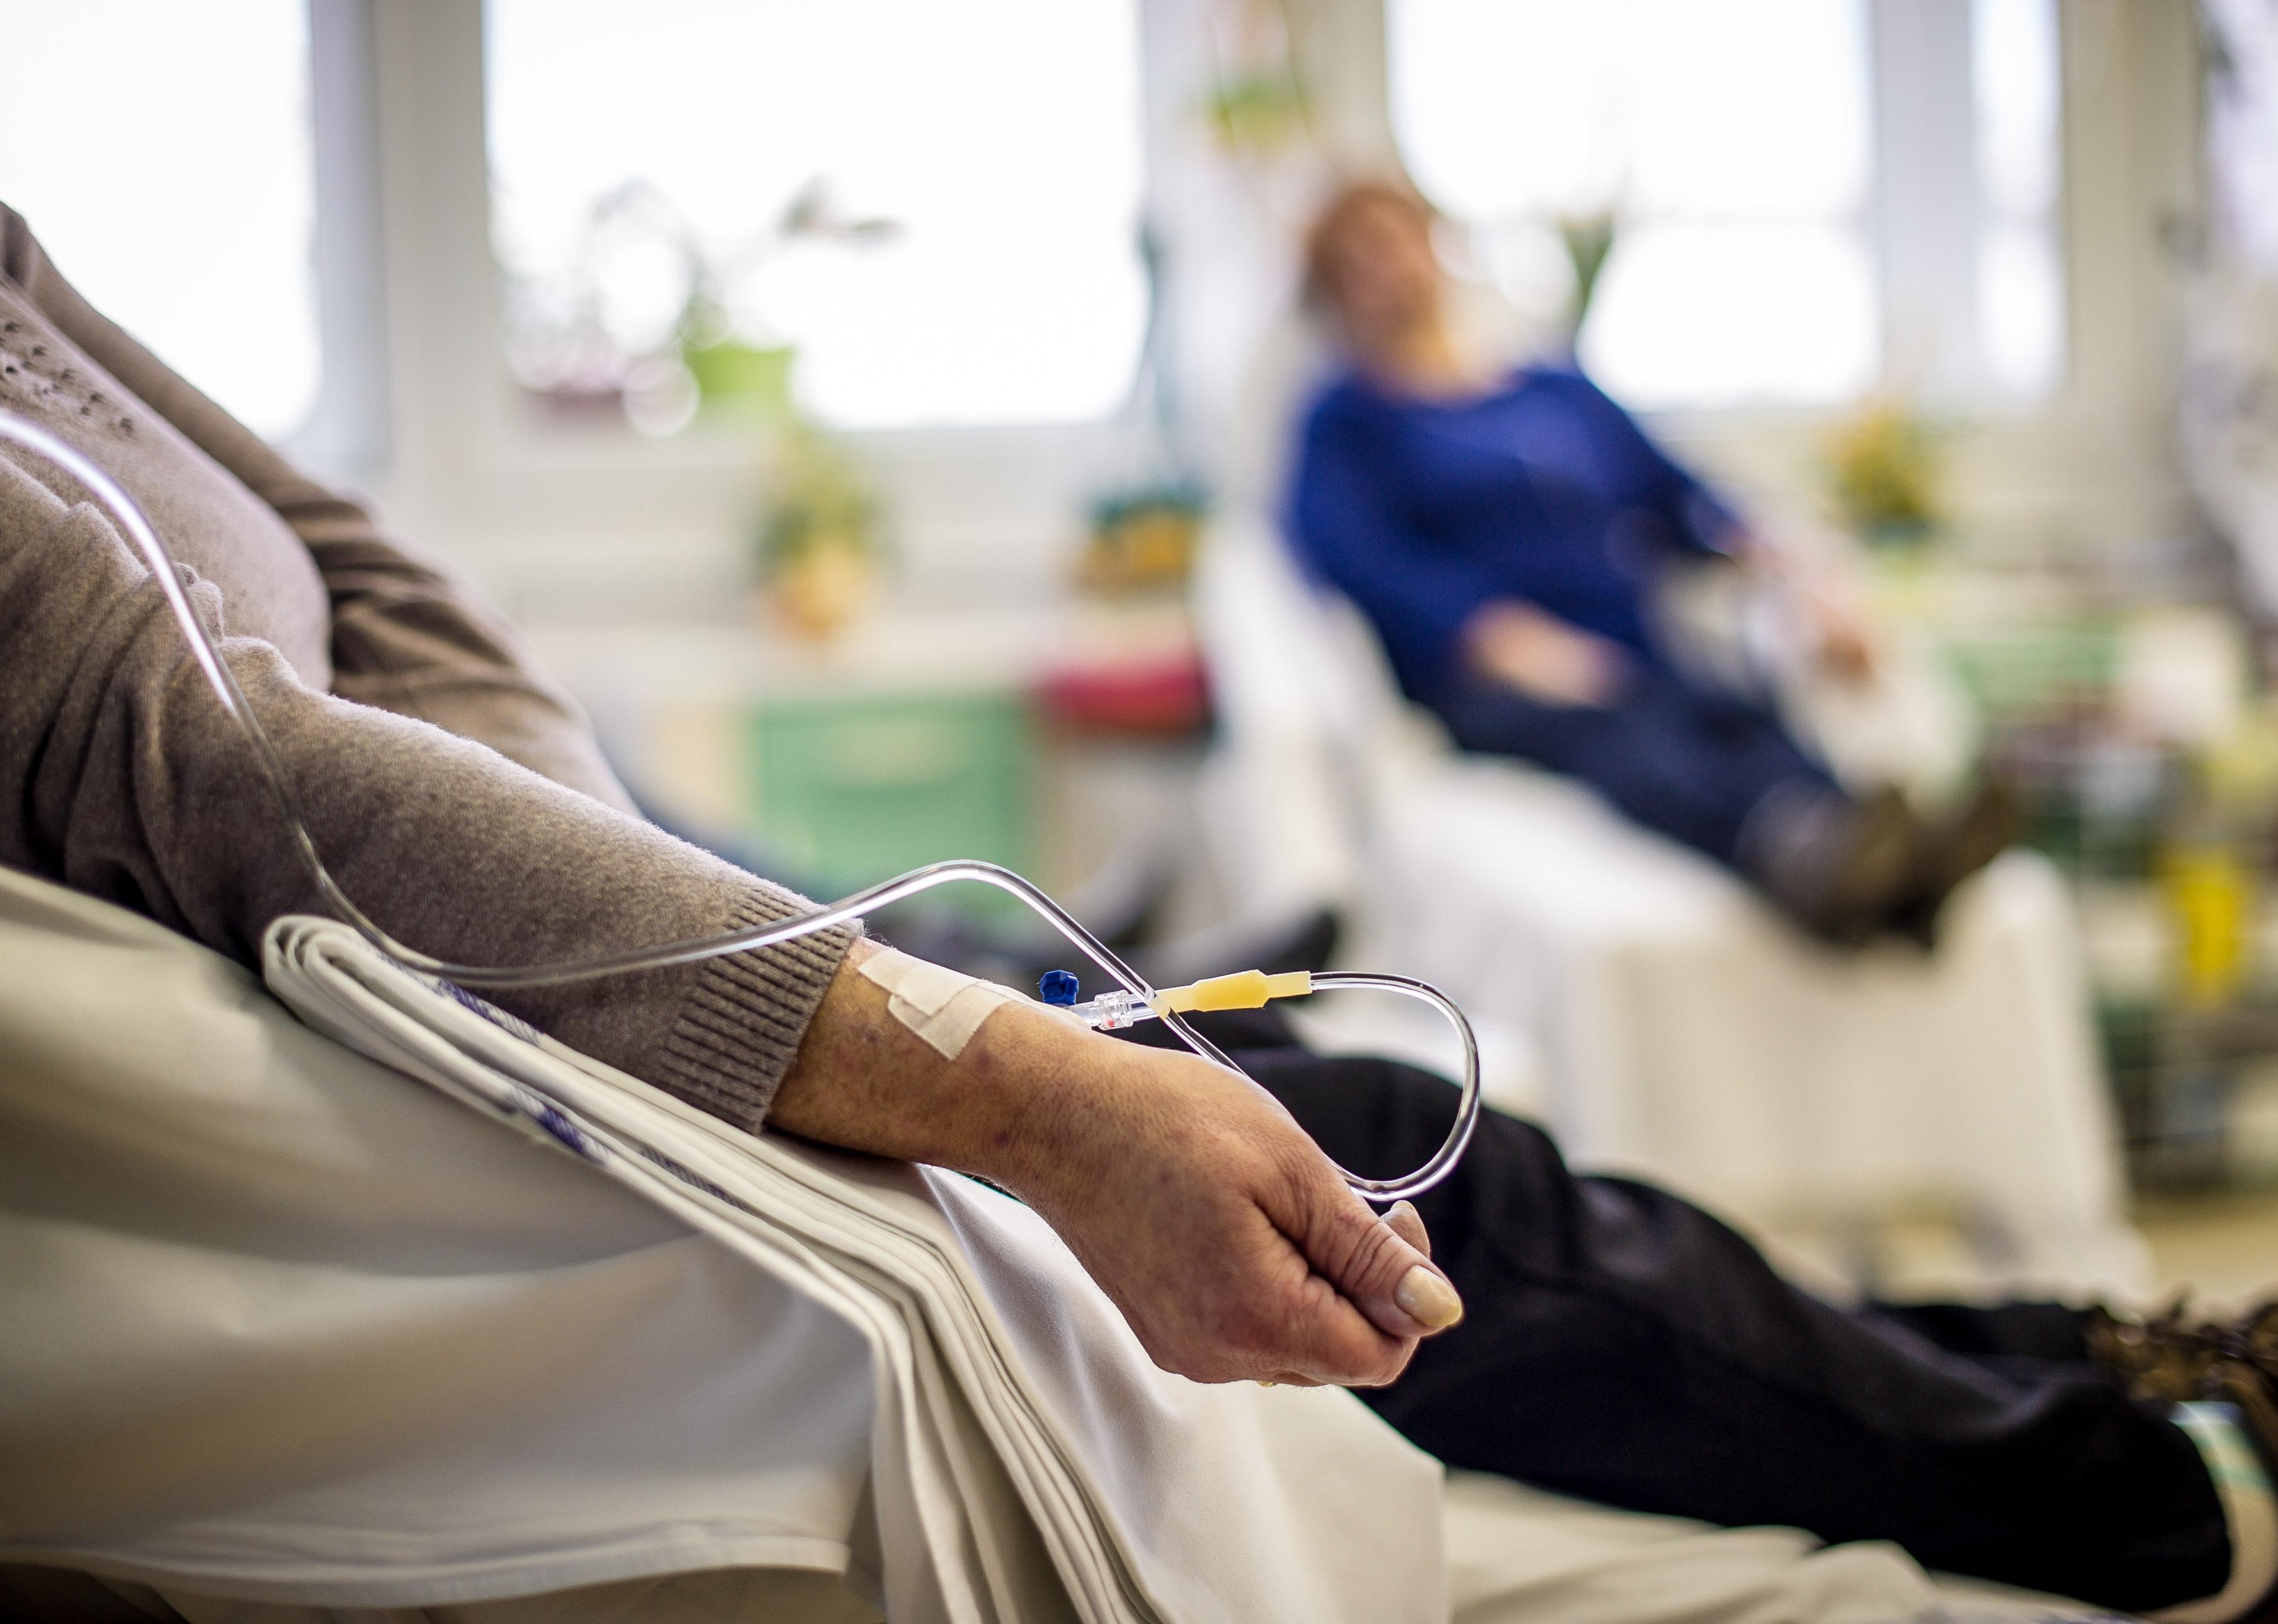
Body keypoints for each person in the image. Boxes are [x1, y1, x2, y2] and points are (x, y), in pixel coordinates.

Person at [0, 202, 2272, 1623]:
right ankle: (2129, 1480)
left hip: (568, 879)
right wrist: (1026, 1085)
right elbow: (243, 762)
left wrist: (615, 835)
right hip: (504, 1036)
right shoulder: (1351, 432)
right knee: (1403, 1124)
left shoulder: (1546, 380)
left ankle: (2062, 1358)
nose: (1396, 280)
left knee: (1511, 975)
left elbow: (374, 586)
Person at [1285, 179, 2013, 948]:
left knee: (1738, 710)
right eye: (1355, 259)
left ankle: (1892, 861)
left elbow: (1688, 499)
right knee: (1633, 736)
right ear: (1332, 293)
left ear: (1435, 245)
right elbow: (1354, 556)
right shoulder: (1343, 421)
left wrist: (1802, 580)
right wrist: (1497, 638)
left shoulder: (1554, 391)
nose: (1386, 267)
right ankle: (1802, 856)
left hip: (1633, 644)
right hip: (1493, 682)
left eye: (1395, 239)